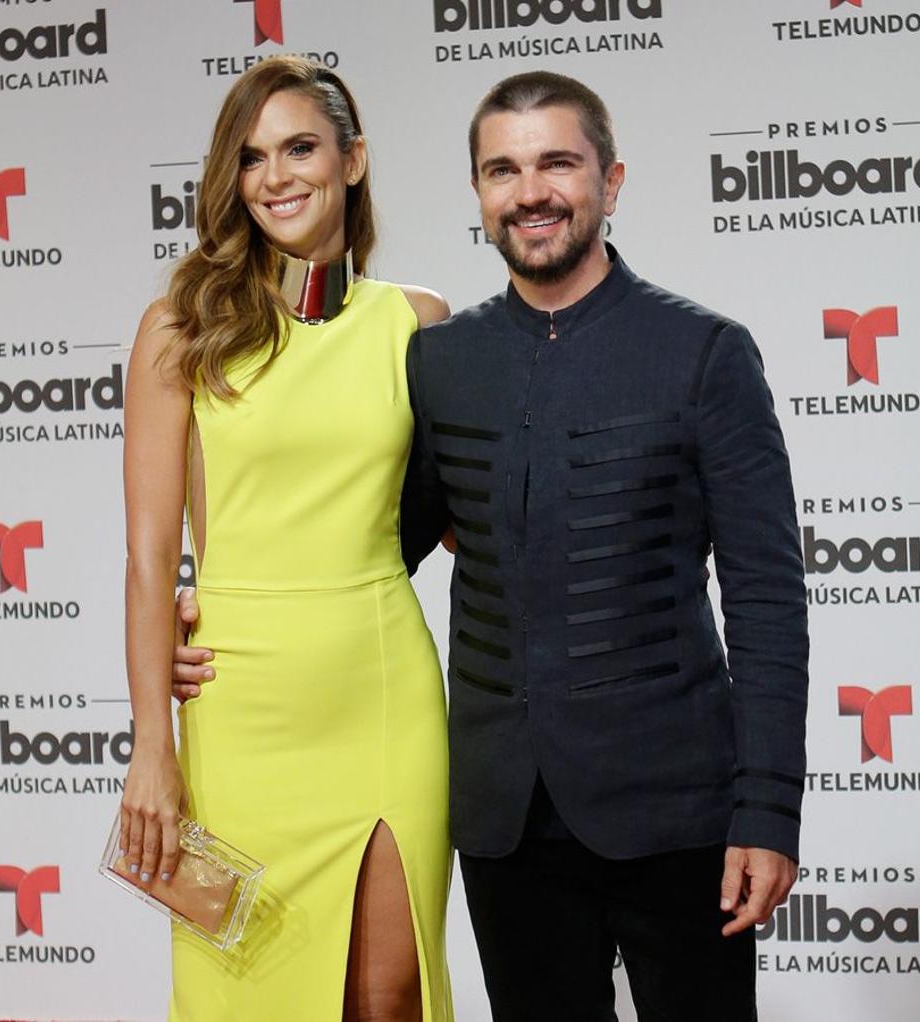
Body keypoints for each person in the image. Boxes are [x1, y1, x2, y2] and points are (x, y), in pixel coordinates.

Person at [175, 70, 808, 1022]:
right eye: (502, 170)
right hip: (505, 819)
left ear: (613, 179)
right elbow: (381, 533)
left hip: (675, 810)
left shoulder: (705, 353)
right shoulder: (441, 359)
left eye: (558, 163)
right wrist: (227, 599)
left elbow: (766, 600)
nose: (531, 192)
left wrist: (767, 811)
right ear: (479, 194)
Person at [121, 56, 453, 1022]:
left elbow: (461, 522)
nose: (276, 177)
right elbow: (148, 557)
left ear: (352, 161)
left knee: (387, 997)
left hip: (381, 688)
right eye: (252, 157)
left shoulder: (416, 322)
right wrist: (152, 744)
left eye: (300, 148)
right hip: (240, 707)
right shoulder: (180, 329)